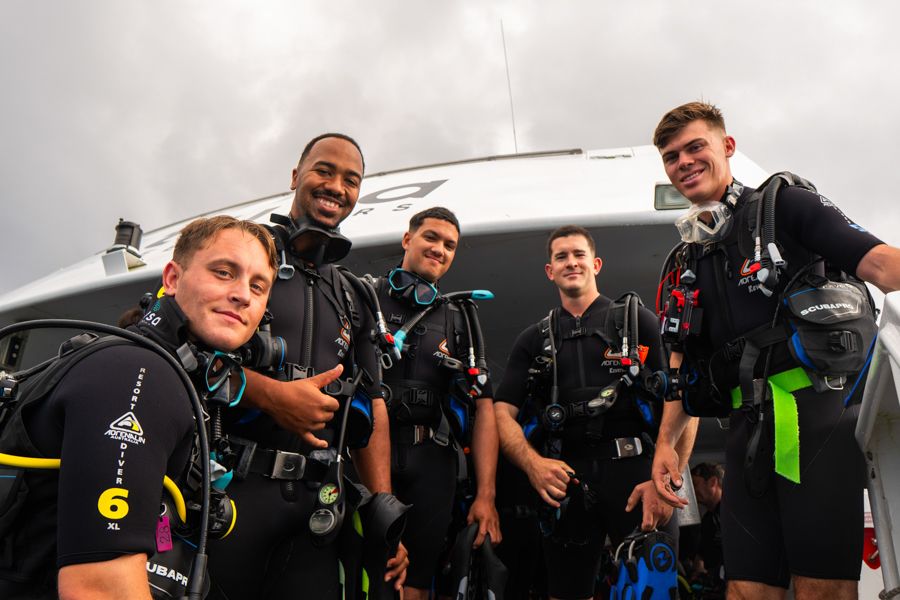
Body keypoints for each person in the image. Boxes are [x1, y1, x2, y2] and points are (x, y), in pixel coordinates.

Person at [650, 101, 900, 600]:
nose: (684, 162)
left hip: (816, 420)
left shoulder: (784, 206)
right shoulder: (688, 258)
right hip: (745, 434)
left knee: (820, 590)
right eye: (672, 156)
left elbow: (882, 265)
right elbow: (681, 364)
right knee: (744, 591)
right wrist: (664, 447)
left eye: (695, 146)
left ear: (728, 146)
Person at [0, 216, 277, 599]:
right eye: (224, 272)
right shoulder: (140, 372)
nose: (243, 294)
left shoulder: (153, 371)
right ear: (172, 279)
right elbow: (100, 590)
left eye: (258, 286)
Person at [206, 133, 407, 599]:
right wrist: (270, 396)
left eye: (350, 180)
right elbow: (177, 354)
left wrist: (382, 505)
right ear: (296, 176)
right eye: (324, 171)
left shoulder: (355, 294)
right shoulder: (246, 255)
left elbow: (372, 402)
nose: (336, 186)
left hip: (318, 508)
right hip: (232, 493)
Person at [494, 225, 677, 600]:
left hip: (637, 477)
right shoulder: (533, 340)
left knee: (653, 590)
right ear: (550, 271)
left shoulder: (636, 322)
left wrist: (667, 484)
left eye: (578, 254)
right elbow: (500, 412)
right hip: (566, 482)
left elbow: (679, 399)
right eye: (561, 256)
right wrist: (532, 464)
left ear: (595, 264)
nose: (570, 262)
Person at [374, 206, 501, 599]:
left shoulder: (459, 318)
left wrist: (486, 495)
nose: (440, 249)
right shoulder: (366, 298)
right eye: (431, 237)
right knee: (371, 573)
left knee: (416, 582)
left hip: (432, 462)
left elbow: (484, 409)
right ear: (407, 239)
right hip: (369, 456)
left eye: (450, 245)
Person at [690, 462, 724, 595]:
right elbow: (702, 554)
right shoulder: (707, 520)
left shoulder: (733, 515)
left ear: (712, 482)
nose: (693, 491)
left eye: (696, 484)